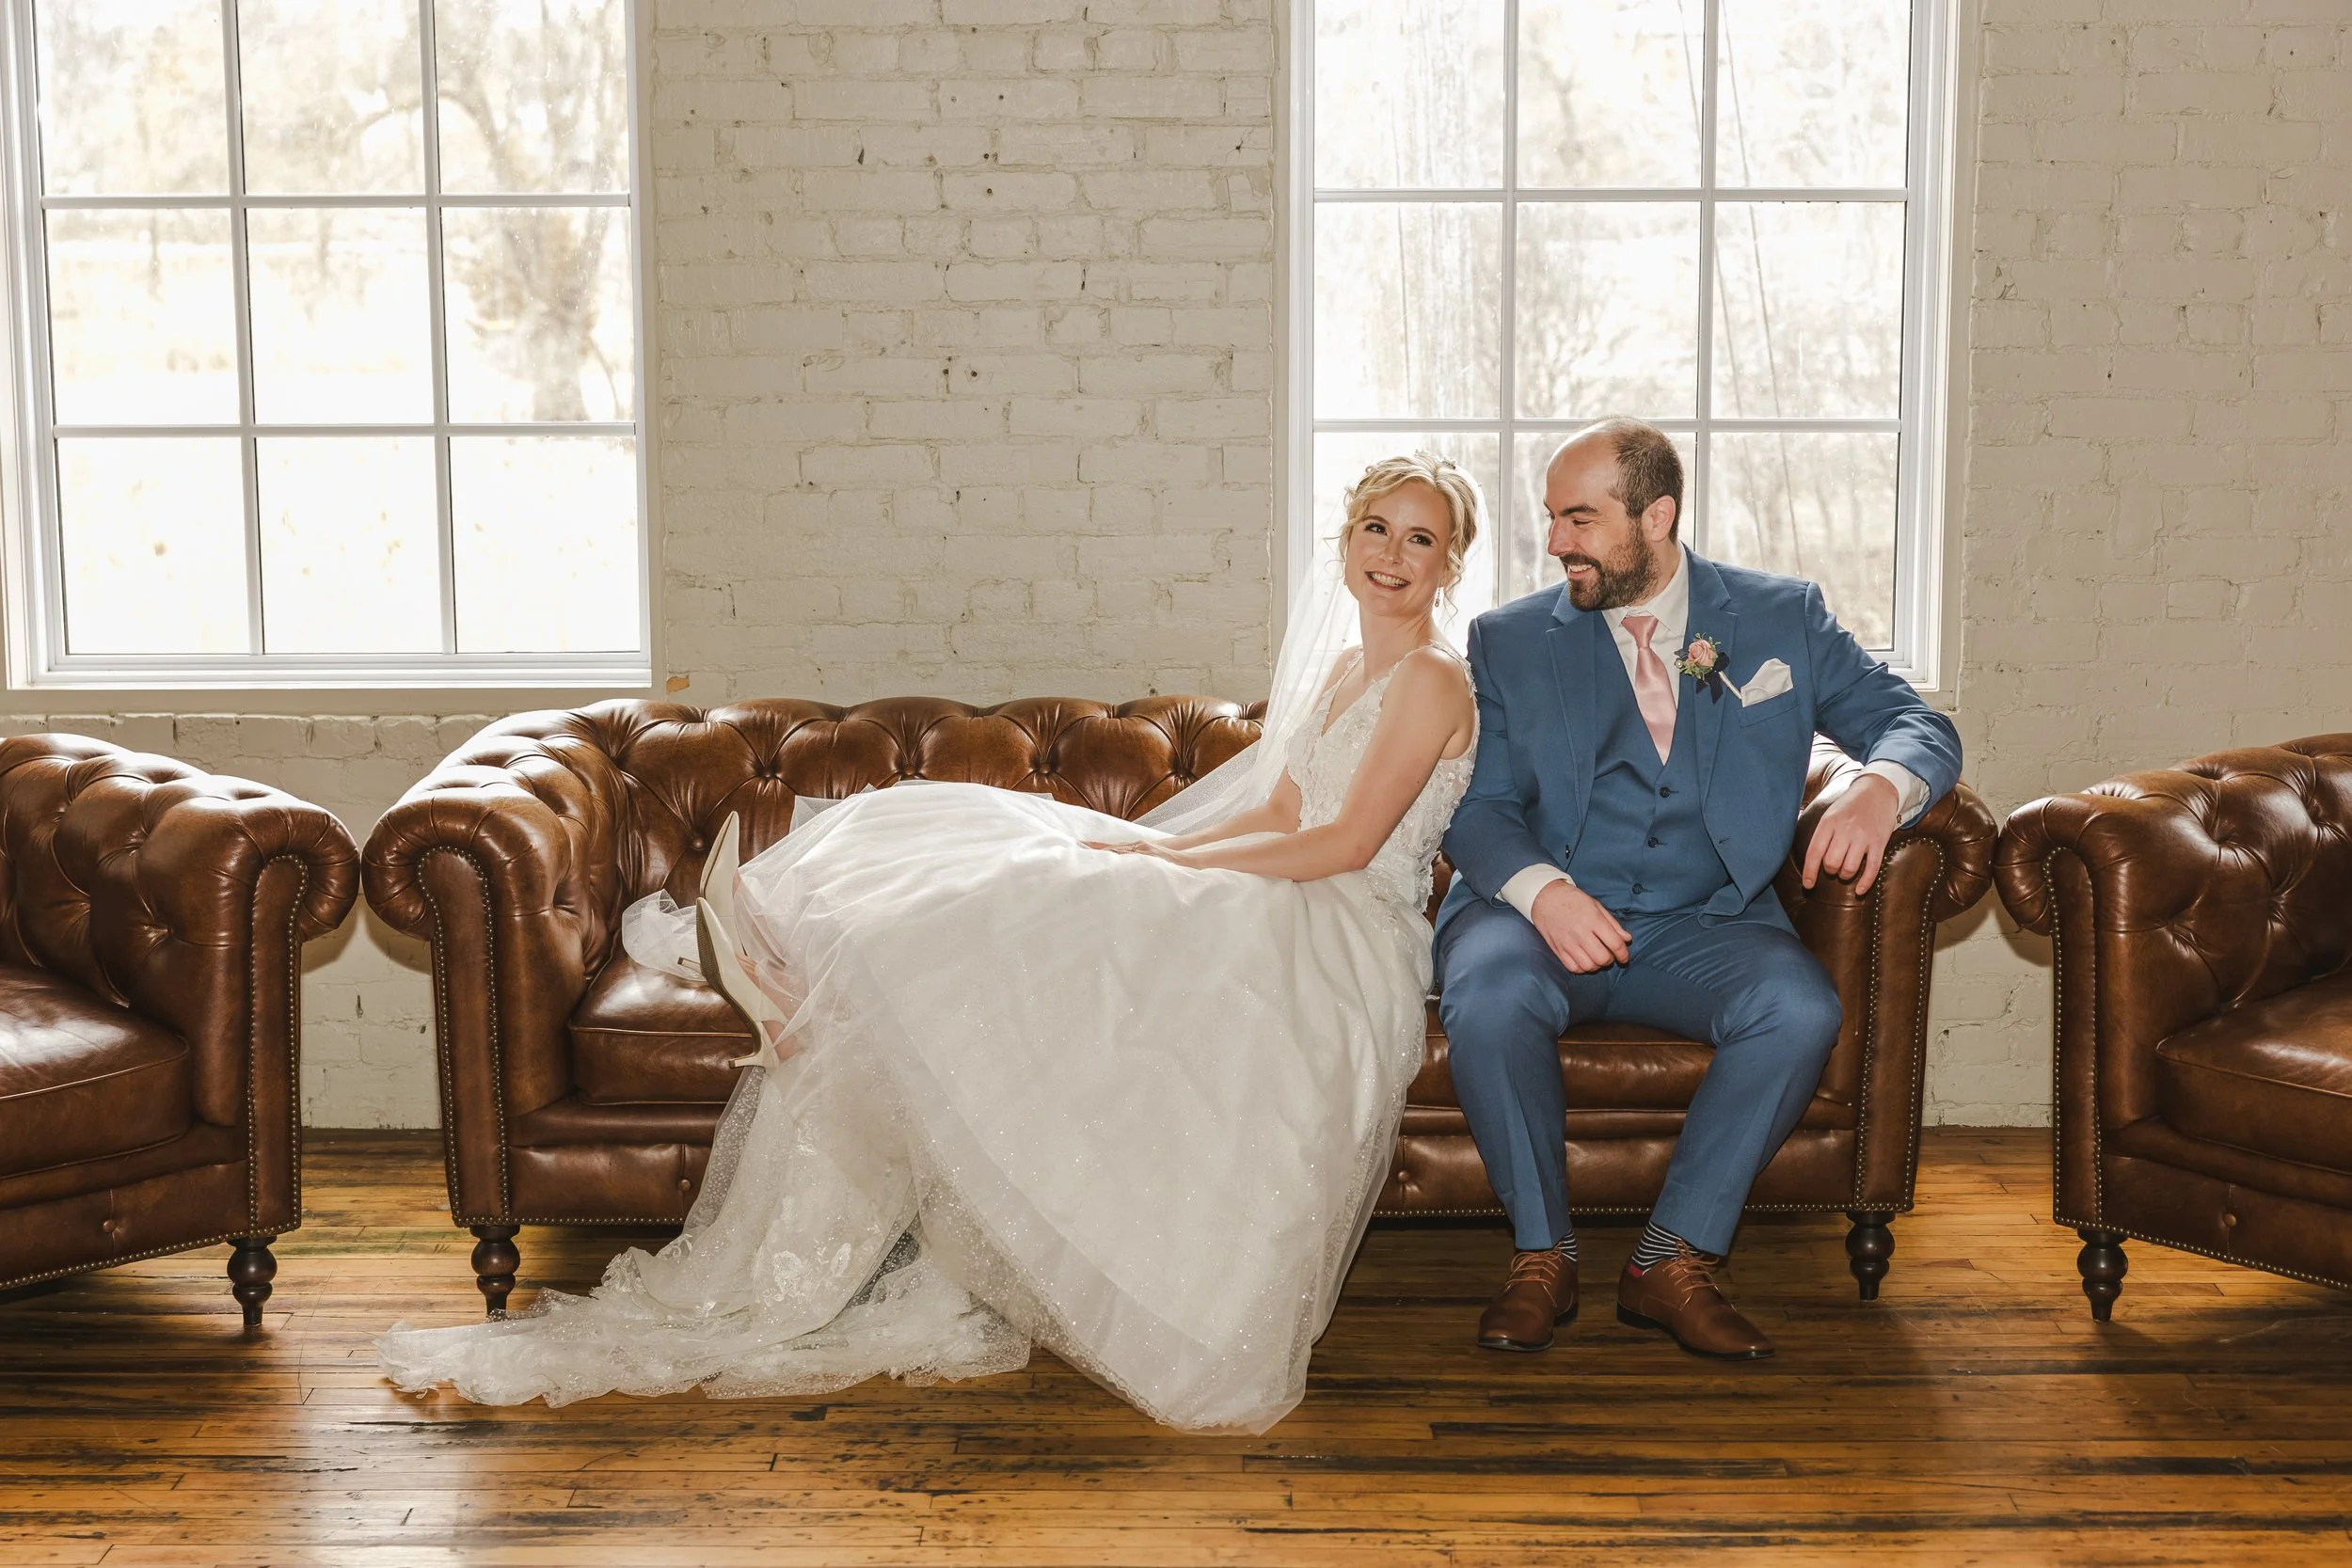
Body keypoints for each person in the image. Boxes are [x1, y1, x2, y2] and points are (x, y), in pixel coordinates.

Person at [378, 453, 1483, 1434]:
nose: (1391, 553)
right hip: (1283, 875)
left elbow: (1341, 842)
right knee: (1004, 845)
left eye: (1419, 537)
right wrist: (1153, 846)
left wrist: (1175, 868)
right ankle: (790, 959)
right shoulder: (1347, 670)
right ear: (1345, 542)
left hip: (1343, 919)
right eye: (1375, 528)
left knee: (1082, 902)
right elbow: (1278, 808)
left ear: (1448, 566)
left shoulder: (1432, 677)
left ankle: (805, 987)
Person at [1436, 419, 1962, 1359]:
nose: (1555, 541)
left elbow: (1911, 721)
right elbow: (1480, 811)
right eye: (1550, 518)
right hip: (1533, 919)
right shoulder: (1510, 638)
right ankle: (1540, 1257)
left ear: (1658, 515)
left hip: (1702, 923)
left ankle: (1669, 1261)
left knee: (1798, 1007)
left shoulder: (1778, 617)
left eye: (1580, 519)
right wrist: (1543, 891)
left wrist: (1879, 789)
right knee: (1490, 995)